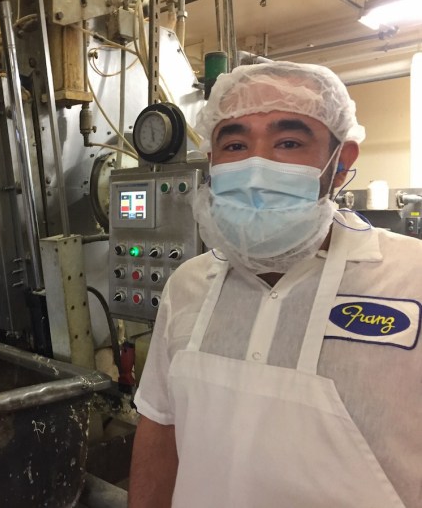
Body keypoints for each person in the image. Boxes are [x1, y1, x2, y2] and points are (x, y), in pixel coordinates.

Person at [128, 61, 422, 508]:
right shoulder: (189, 284)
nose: (256, 167)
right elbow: (160, 426)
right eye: (235, 144)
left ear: (341, 163)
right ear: (211, 162)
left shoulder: (409, 277)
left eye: (289, 142)